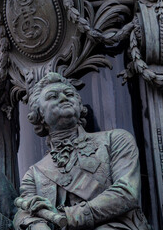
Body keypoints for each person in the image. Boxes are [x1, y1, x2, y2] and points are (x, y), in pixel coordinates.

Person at [13, 73, 149, 230]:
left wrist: (70, 217)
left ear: (79, 105)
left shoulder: (115, 140)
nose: (64, 98)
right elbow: (23, 213)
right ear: (39, 114)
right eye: (53, 96)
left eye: (69, 94)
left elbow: (126, 193)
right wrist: (36, 225)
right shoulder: (34, 173)